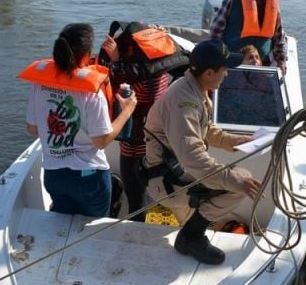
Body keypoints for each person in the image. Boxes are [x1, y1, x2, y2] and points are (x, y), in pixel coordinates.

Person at [142, 39, 262, 265]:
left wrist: (236, 141)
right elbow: (192, 158)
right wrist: (235, 180)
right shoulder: (183, 100)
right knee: (241, 182)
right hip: (167, 180)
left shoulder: (194, 89)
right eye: (224, 69)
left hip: (177, 172)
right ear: (209, 73)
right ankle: (191, 237)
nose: (226, 74)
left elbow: (206, 129)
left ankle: (191, 232)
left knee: (235, 180)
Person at [19, 23, 137, 217]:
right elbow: (101, 141)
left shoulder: (39, 84)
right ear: (86, 55)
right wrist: (127, 110)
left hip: (54, 175)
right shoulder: (91, 90)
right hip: (89, 179)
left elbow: (33, 129)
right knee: (94, 231)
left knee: (62, 226)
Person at [98, 21, 187, 221]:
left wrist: (116, 61)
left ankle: (136, 219)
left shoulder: (135, 77)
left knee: (136, 198)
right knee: (157, 190)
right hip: (161, 140)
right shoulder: (163, 68)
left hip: (136, 142)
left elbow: (114, 84)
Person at [209, 0, 287, 74]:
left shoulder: (273, 5)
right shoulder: (232, 0)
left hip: (261, 63)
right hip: (234, 63)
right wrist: (218, 57)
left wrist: (281, 61)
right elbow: (215, 32)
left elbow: (280, 38)